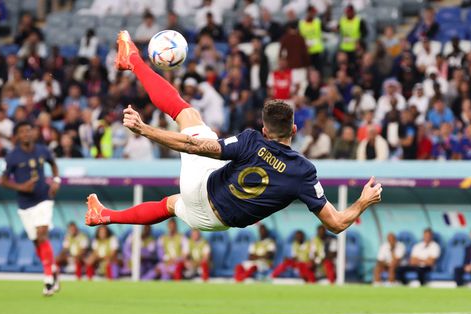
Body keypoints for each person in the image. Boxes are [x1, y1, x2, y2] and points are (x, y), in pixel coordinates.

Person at [85, 31, 382, 239]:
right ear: (294, 129)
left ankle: (132, 60)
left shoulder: (252, 140)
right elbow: (337, 223)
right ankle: (104, 215)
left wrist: (144, 129)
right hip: (214, 222)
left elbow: (193, 145)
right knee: (171, 204)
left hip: (202, 192)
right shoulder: (303, 172)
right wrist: (365, 200)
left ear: (266, 130)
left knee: (188, 116)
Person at [0, 121, 61, 296]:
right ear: (17, 136)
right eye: (22, 132)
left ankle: (48, 279)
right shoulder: (12, 156)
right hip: (25, 204)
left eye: (29, 130)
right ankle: (53, 268)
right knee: (36, 241)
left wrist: (56, 181)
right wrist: (21, 187)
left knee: (42, 234)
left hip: (44, 199)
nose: (26, 134)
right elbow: (2, 180)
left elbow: (54, 164)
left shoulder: (43, 150)